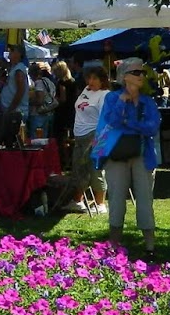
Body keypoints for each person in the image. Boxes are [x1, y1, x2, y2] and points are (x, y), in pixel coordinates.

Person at [92, 65, 162, 253]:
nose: (142, 76)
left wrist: (128, 122)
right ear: (124, 76)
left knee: (145, 200)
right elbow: (112, 122)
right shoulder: (112, 98)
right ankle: (114, 247)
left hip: (143, 155)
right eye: (136, 72)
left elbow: (152, 127)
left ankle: (150, 248)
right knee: (116, 200)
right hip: (117, 155)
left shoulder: (148, 101)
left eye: (143, 73)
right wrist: (122, 103)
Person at [67, 66, 110, 215]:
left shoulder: (104, 94)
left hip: (95, 136)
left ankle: (100, 204)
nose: (90, 81)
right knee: (79, 168)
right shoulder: (86, 90)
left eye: (94, 78)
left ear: (102, 80)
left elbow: (105, 118)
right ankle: (78, 201)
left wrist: (99, 140)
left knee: (95, 170)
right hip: (79, 136)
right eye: (89, 78)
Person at [0, 44, 32, 147]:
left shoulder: (19, 70)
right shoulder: (14, 68)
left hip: (16, 112)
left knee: (12, 141)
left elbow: (20, 90)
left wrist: (11, 108)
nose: (9, 53)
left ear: (18, 54)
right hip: (12, 111)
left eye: (12, 51)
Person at [27, 63, 58, 141]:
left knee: (37, 139)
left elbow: (40, 100)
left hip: (38, 114)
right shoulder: (48, 81)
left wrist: (29, 102)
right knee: (45, 138)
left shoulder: (38, 83)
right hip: (48, 113)